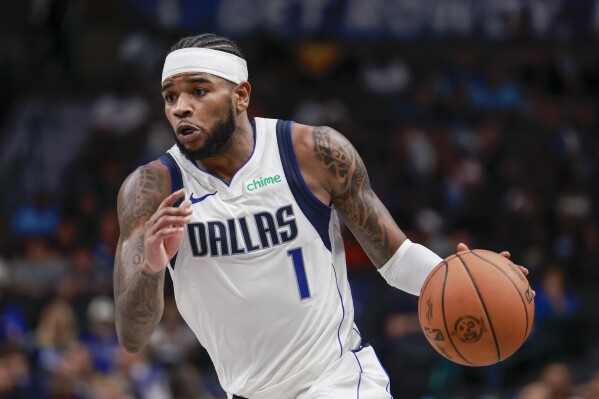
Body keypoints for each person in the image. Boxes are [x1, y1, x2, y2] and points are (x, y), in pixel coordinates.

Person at [113, 33, 529, 399]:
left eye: (199, 91)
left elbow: (396, 259)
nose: (181, 108)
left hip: (337, 381)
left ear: (241, 95)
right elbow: (132, 336)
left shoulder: (311, 152)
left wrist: (469, 279)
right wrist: (150, 268)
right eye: (171, 97)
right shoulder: (150, 190)